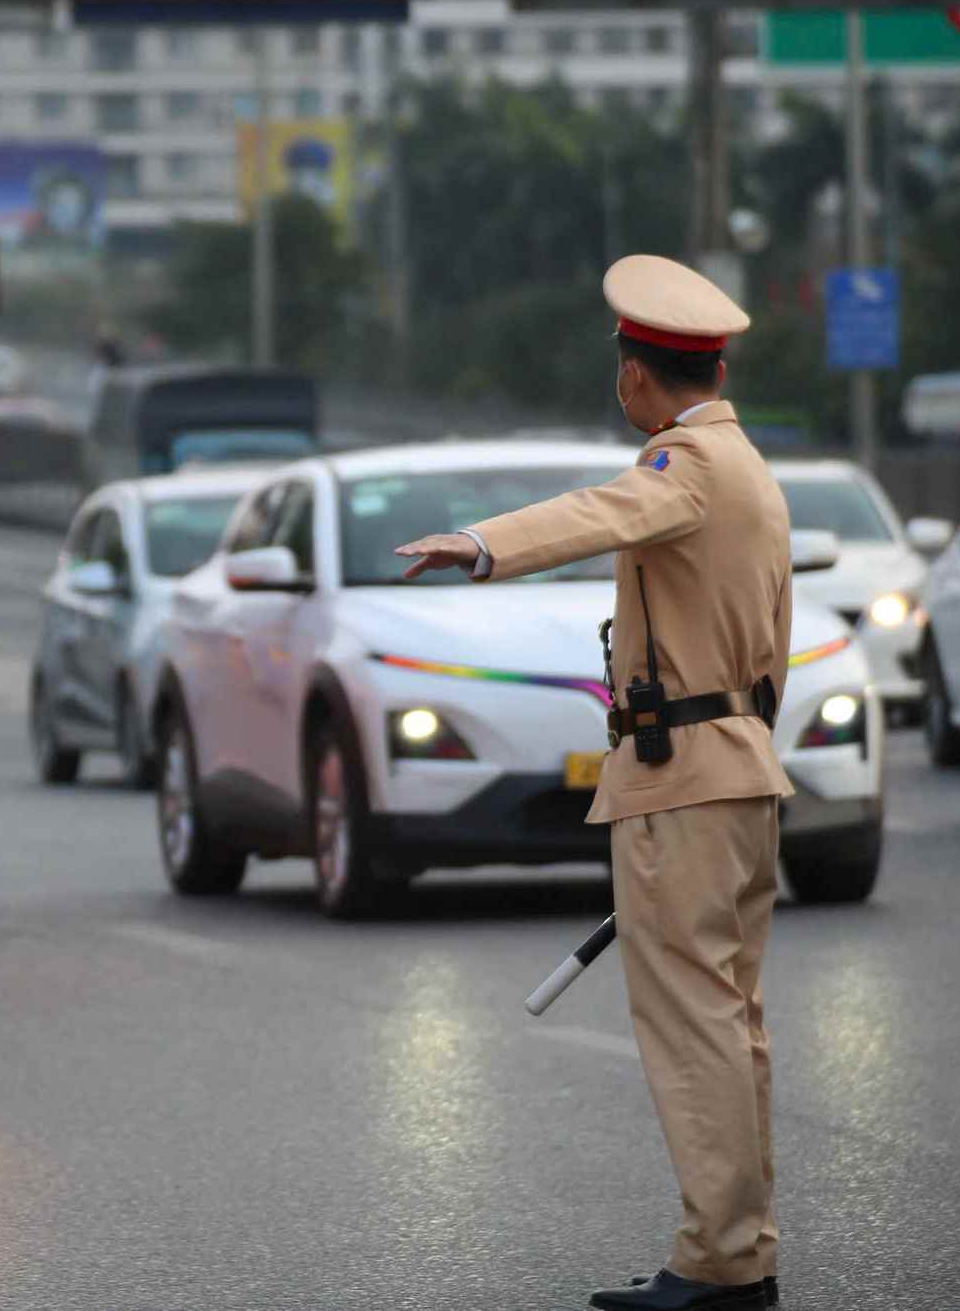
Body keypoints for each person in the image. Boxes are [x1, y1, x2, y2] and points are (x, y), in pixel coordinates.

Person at [397, 255, 791, 1311]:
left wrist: (478, 543)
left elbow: (596, 513)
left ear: (636, 375)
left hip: (685, 781)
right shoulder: (750, 464)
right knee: (731, 1016)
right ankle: (739, 1250)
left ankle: (719, 1262)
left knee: (694, 1022)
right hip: (740, 768)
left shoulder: (685, 464)